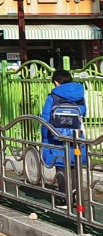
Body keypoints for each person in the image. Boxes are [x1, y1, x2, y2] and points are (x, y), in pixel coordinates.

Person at [40, 68, 87, 203]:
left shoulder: (52, 97)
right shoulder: (80, 96)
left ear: (56, 82)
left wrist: (44, 137)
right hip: (76, 136)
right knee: (74, 164)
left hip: (56, 137)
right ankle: (77, 195)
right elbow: (83, 113)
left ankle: (64, 197)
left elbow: (45, 119)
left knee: (61, 164)